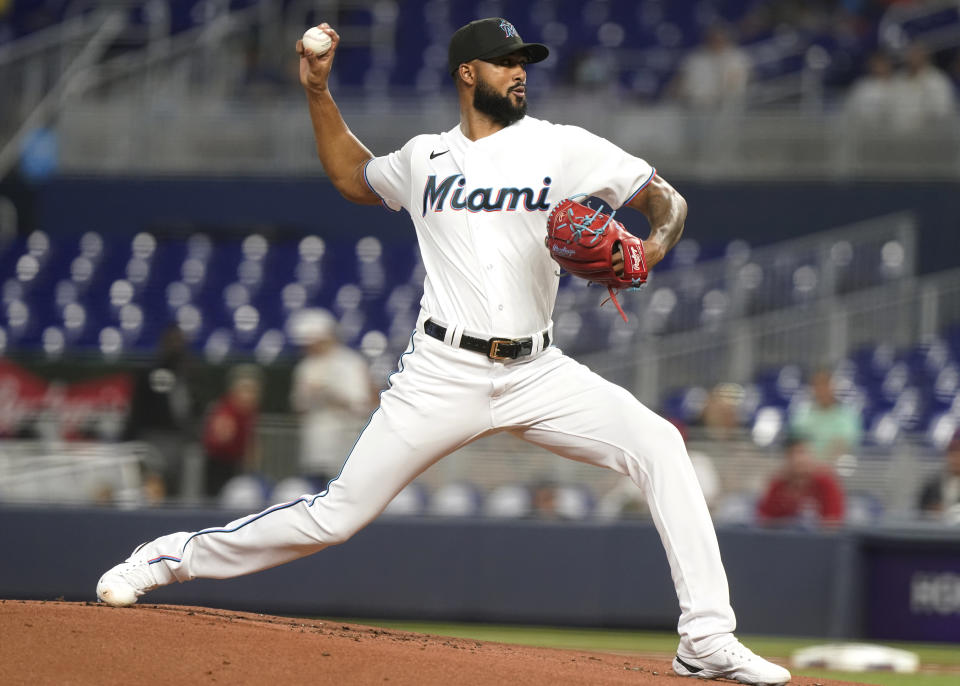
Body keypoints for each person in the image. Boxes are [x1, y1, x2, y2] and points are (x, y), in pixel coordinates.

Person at [96, 18, 789, 685]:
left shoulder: (565, 145)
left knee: (660, 446)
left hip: (537, 370)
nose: (520, 74)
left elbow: (667, 202)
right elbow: (351, 176)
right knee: (336, 515)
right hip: (442, 371)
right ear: (468, 73)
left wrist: (648, 248)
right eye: (507, 62)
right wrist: (316, 90)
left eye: (525, 64)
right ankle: (166, 558)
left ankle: (706, 639)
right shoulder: (425, 158)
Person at [289, 308, 376, 484]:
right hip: (314, 451)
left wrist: (331, 395)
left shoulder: (351, 363)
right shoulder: (305, 367)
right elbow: (298, 406)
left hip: (345, 452)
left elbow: (362, 406)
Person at [123, 324, 198, 498]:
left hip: (177, 439)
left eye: (179, 342)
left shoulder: (187, 371)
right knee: (152, 485)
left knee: (172, 488)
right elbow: (138, 409)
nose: (177, 346)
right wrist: (130, 437)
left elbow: (192, 407)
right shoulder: (151, 372)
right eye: (173, 341)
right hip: (153, 437)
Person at [756, 433, 846, 527]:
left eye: (802, 452)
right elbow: (764, 522)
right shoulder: (777, 485)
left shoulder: (826, 483)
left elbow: (833, 522)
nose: (798, 459)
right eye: (792, 454)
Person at [202, 364, 262, 498]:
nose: (250, 396)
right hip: (220, 463)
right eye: (246, 391)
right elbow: (220, 436)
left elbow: (250, 440)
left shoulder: (250, 413)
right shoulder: (225, 409)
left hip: (236, 463)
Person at [788, 368, 862, 463]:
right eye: (817, 385)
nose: (821, 389)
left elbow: (844, 446)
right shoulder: (801, 415)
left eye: (825, 384)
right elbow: (795, 444)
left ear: (833, 386)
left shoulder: (848, 416)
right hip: (806, 468)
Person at [917, 431, 960, 524]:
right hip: (935, 533)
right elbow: (918, 512)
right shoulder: (932, 484)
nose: (956, 458)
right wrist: (930, 512)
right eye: (953, 452)